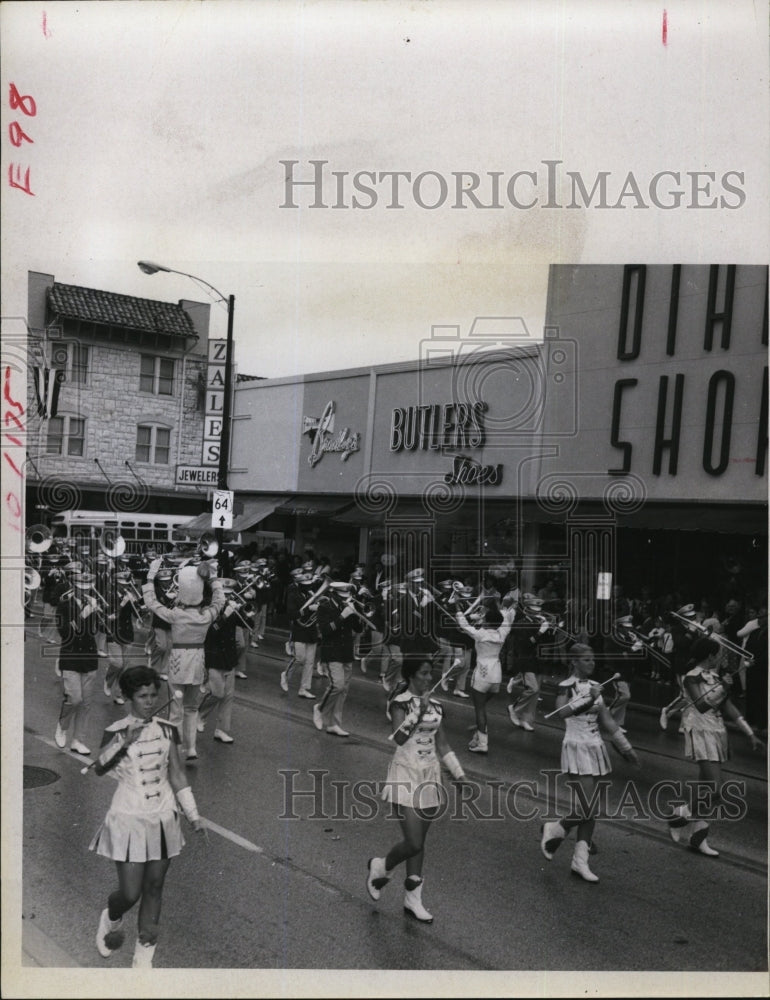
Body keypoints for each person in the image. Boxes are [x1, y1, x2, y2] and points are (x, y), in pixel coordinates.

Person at [88, 666, 205, 967]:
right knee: (129, 893)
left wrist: (193, 815)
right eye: (142, 696)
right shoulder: (115, 731)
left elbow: (177, 774)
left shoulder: (168, 729)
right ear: (128, 698)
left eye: (154, 695)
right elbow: (99, 768)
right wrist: (123, 742)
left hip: (163, 817)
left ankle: (143, 957)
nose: (150, 702)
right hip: (128, 818)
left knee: (154, 887)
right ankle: (111, 916)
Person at [365, 658, 466, 922]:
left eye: (430, 674)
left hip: (429, 775)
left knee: (419, 843)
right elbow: (398, 738)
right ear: (411, 676)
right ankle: (381, 867)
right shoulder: (399, 703)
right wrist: (417, 712)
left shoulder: (437, 706)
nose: (429, 678)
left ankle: (413, 899)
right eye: (423, 673)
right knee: (413, 842)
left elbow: (442, 743)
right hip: (405, 773)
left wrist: (459, 774)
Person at [540, 643, 640, 882]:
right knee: (588, 808)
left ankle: (580, 861)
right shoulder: (566, 686)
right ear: (574, 662)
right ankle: (555, 828)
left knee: (591, 807)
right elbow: (561, 713)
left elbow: (606, 719)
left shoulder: (596, 686)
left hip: (595, 746)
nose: (591, 663)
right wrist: (586, 700)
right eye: (586, 660)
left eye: (593, 659)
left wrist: (625, 747)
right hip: (576, 745)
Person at [667, 637, 765, 856]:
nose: (720, 657)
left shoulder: (717, 677)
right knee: (715, 790)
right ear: (710, 655)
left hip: (717, 731)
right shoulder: (691, 677)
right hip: (700, 731)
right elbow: (700, 705)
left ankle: (698, 838)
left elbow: (728, 707)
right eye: (718, 654)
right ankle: (678, 816)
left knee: (706, 789)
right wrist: (723, 688)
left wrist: (750, 734)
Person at [142, 560, 225, 761]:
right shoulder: (206, 616)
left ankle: (174, 750)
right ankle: (191, 748)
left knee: (176, 710)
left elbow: (152, 603)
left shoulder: (175, 615)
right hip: (197, 663)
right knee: (192, 708)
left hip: (178, 663)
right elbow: (219, 601)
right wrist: (213, 579)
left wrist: (150, 577)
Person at [456, 598, 516, 755]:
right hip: (496, 675)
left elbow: (464, 626)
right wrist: (504, 609)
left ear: (488, 622)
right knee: (482, 707)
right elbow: (505, 621)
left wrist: (458, 609)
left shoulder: (481, 634)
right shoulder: (503, 632)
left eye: (484, 619)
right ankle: (480, 732)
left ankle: (482, 742)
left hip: (482, 673)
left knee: (479, 709)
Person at [54, 571, 101, 756]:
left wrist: (97, 613)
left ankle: (78, 740)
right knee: (75, 699)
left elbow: (99, 630)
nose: (84, 592)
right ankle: (62, 726)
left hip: (89, 658)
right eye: (81, 588)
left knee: (86, 703)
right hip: (71, 656)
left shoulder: (93, 602)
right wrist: (83, 615)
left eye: (87, 588)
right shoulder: (65, 604)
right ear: (74, 586)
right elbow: (65, 632)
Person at [313, 575, 363, 737]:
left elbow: (359, 629)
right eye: (342, 596)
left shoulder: (349, 605)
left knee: (344, 690)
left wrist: (356, 613)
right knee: (337, 685)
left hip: (346, 650)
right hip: (332, 649)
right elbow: (326, 631)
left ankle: (334, 723)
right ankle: (319, 708)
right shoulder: (325, 606)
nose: (344, 599)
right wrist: (343, 616)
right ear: (334, 594)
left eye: (346, 596)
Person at [199, 582, 241, 744]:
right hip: (215, 657)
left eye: (230, 594)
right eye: (225, 594)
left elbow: (248, 626)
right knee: (217, 693)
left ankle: (221, 730)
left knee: (228, 697)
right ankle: (199, 715)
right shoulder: (207, 609)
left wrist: (245, 615)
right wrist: (225, 616)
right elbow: (210, 633)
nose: (228, 598)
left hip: (229, 657)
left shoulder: (231, 608)